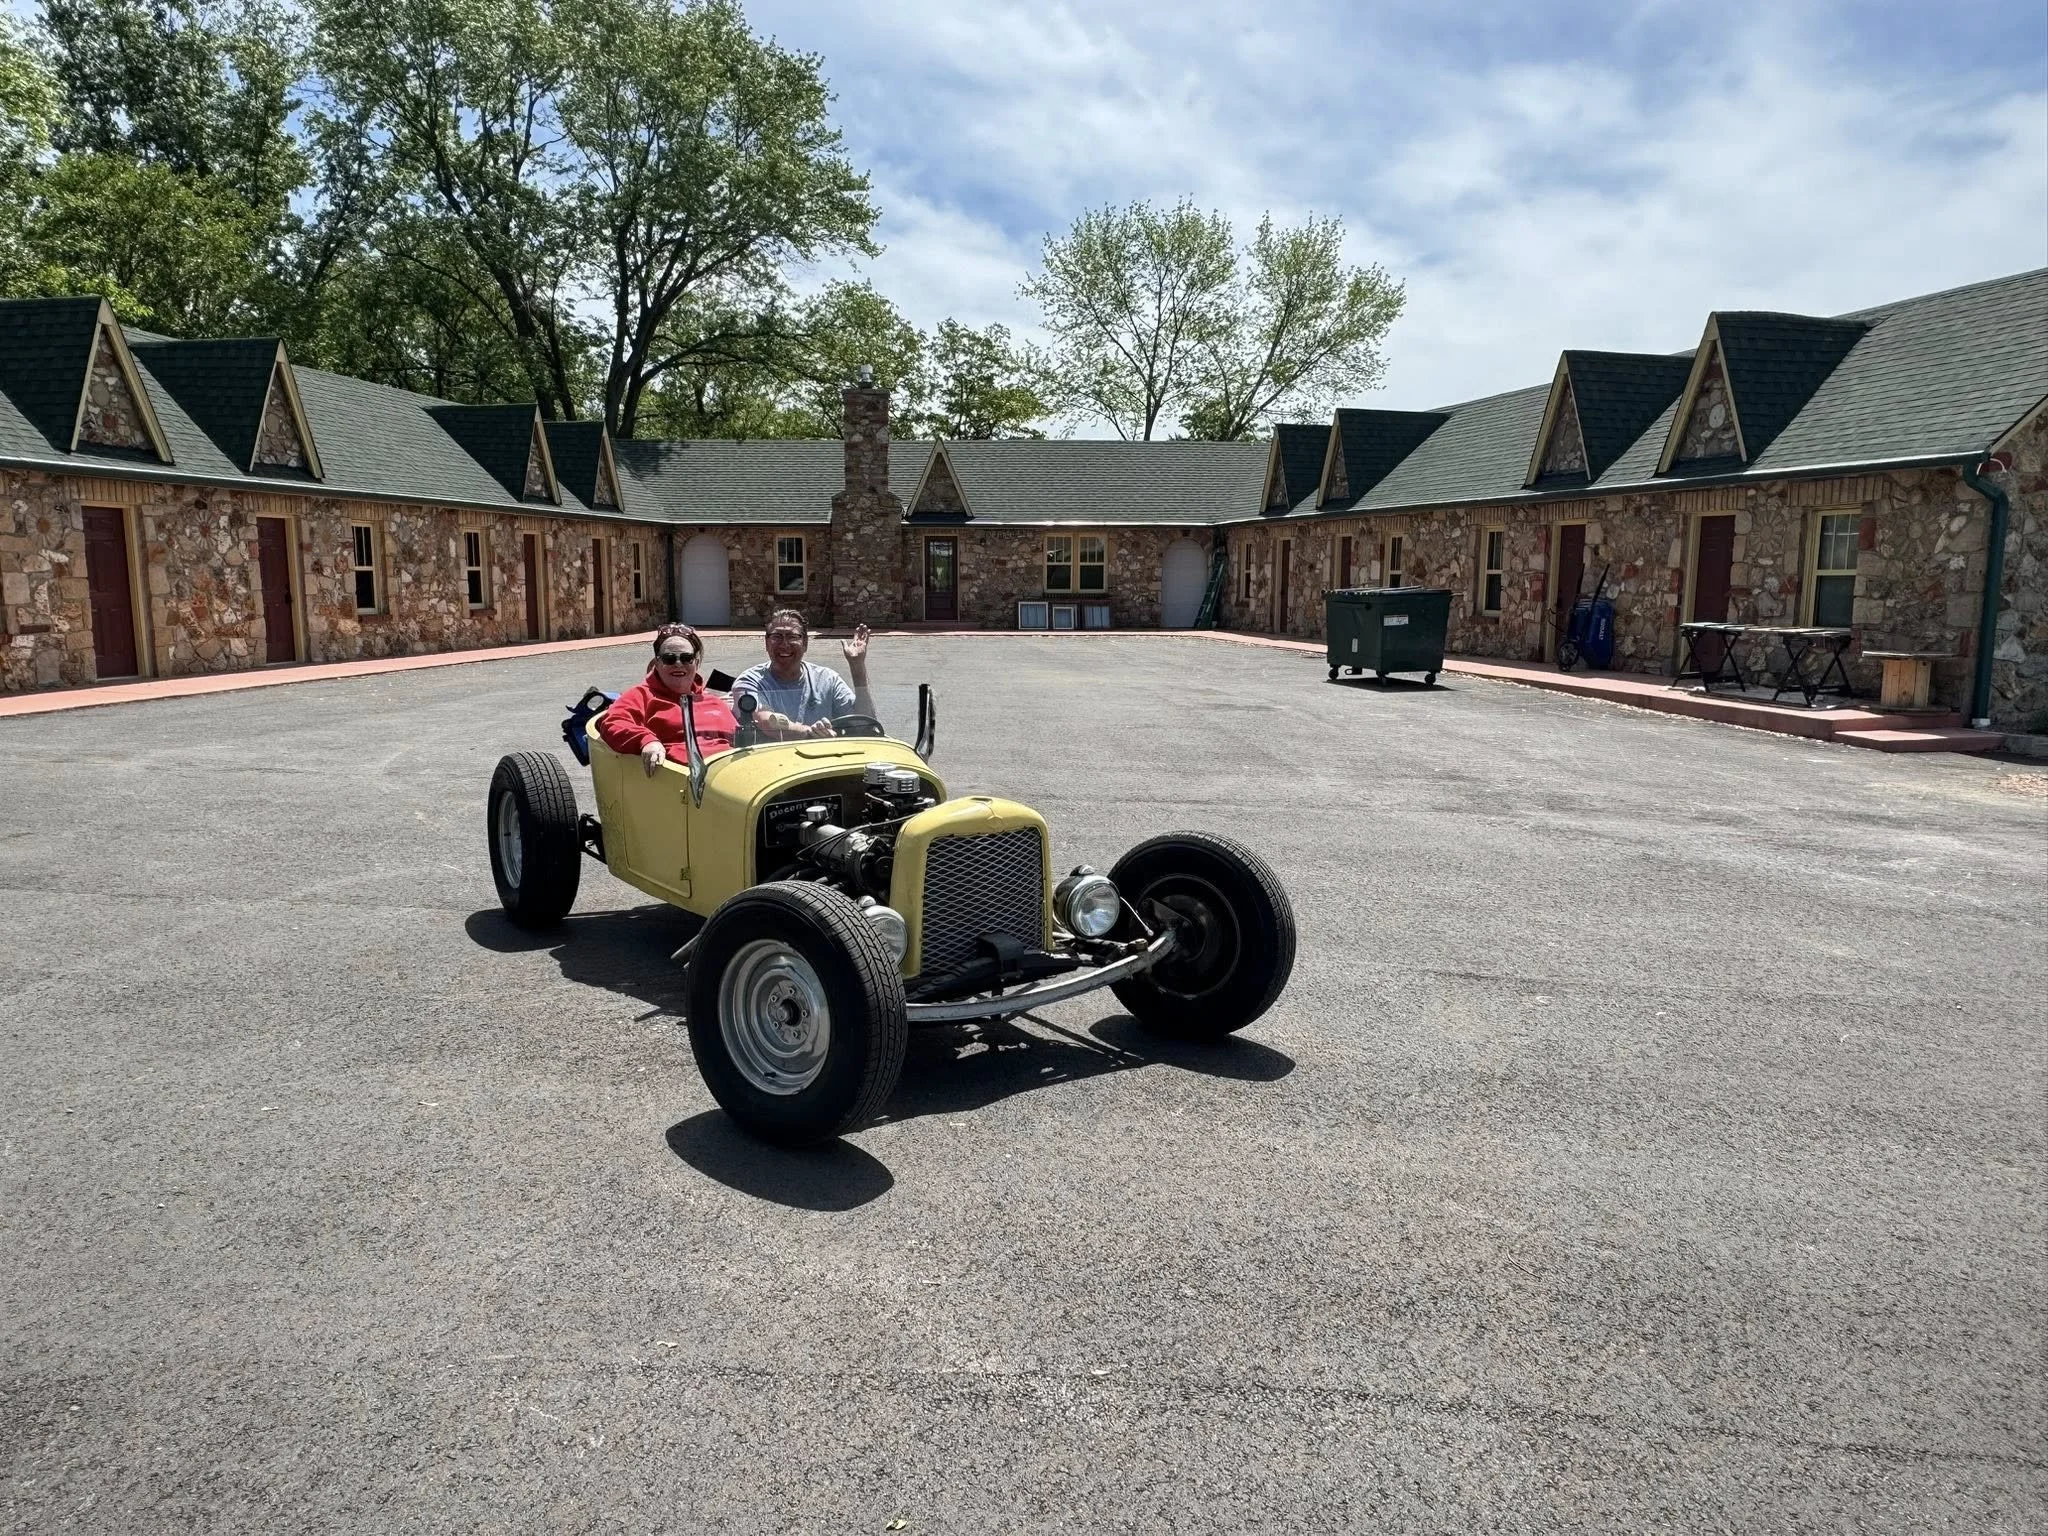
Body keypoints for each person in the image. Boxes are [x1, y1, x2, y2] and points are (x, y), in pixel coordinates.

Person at [595, 623, 736, 774]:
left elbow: (743, 740)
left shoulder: (714, 701)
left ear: (696, 662)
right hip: (681, 778)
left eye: (686, 658)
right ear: (657, 663)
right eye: (669, 659)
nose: (678, 664)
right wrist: (647, 741)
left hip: (730, 772)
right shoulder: (641, 695)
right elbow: (613, 723)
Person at [730, 610, 876, 739]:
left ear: (805, 643)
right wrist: (812, 733)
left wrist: (857, 666)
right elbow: (767, 722)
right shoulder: (749, 682)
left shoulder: (827, 679)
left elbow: (864, 724)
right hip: (771, 758)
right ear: (767, 643)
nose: (784, 644)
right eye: (776, 636)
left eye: (792, 636)